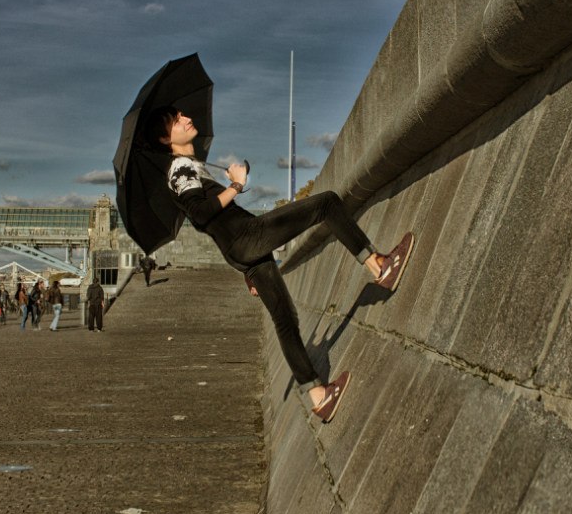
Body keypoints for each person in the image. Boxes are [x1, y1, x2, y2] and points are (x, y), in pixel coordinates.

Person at [149, 107, 413, 423]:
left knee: (285, 318)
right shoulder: (180, 168)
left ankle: (318, 397)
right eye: (177, 120)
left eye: (182, 114)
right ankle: (378, 266)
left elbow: (211, 223)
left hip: (241, 248)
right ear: (166, 138)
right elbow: (204, 215)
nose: (186, 118)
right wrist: (236, 185)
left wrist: (246, 267)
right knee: (326, 203)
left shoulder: (191, 166)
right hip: (249, 237)